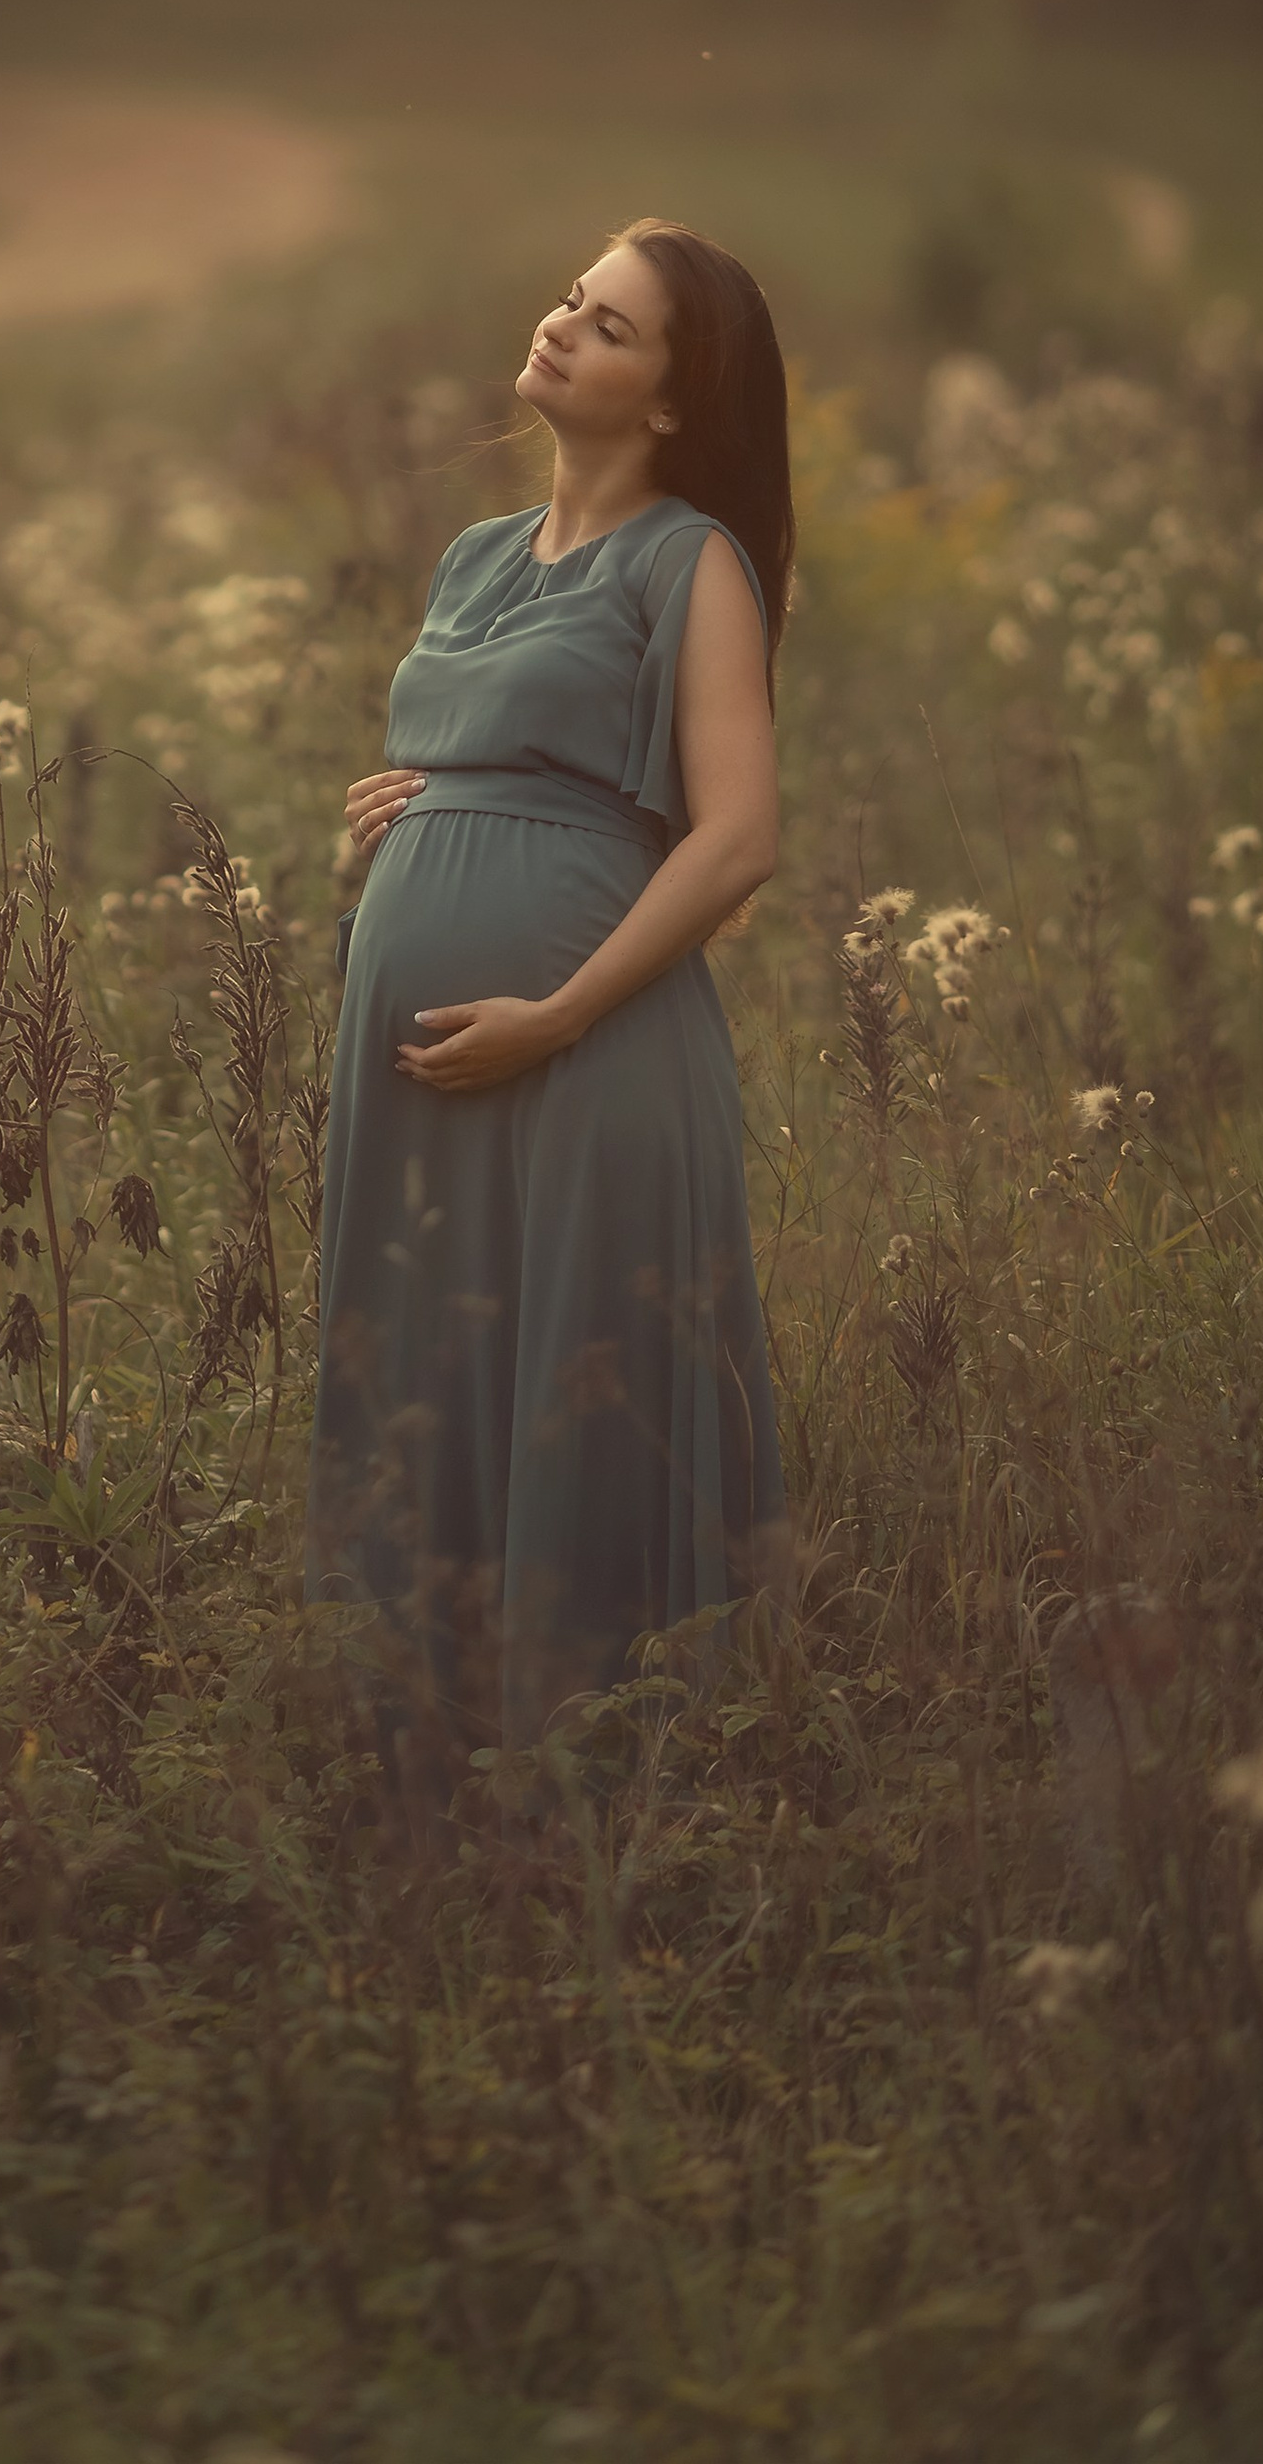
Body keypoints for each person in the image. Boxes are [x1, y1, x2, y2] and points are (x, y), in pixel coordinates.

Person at [307, 217, 794, 1766]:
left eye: (613, 324)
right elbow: (485, 770)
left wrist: (559, 1014)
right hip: (428, 1069)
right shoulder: (471, 556)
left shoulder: (690, 560)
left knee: (574, 1392)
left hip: (584, 1056)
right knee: (433, 1372)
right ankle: (426, 1766)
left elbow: (739, 839)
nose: (565, 324)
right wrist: (380, 835)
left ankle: (604, 1789)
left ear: (668, 400)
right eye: (573, 300)